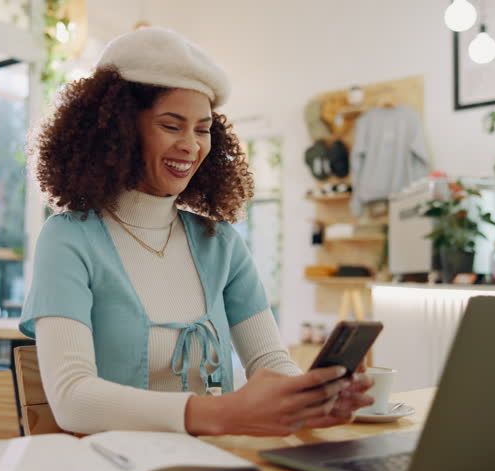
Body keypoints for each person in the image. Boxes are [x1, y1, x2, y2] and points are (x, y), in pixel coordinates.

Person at [19, 27, 373, 435]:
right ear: (121, 130)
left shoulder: (219, 244)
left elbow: (271, 362)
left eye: (202, 129)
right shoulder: (68, 240)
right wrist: (224, 414)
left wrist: (310, 399)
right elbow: (72, 399)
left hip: (212, 460)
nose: (191, 145)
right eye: (172, 126)